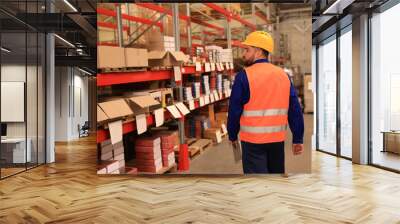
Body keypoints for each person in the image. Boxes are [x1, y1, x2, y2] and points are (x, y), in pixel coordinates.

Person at [227, 31, 304, 174]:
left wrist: (232, 135)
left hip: (252, 143)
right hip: (277, 142)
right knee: (275, 180)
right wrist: (297, 138)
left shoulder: (243, 77)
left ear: (258, 51)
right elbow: (295, 110)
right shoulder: (283, 75)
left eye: (247, 49)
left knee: (257, 187)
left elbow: (234, 110)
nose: (243, 54)